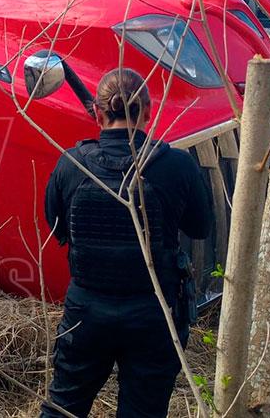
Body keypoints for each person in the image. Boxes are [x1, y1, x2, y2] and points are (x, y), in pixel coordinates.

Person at [41, 68, 213, 418]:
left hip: (86, 313)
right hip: (154, 313)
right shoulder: (176, 165)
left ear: (98, 113)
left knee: (63, 410)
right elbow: (201, 227)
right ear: (148, 112)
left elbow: (57, 227)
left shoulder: (72, 165)